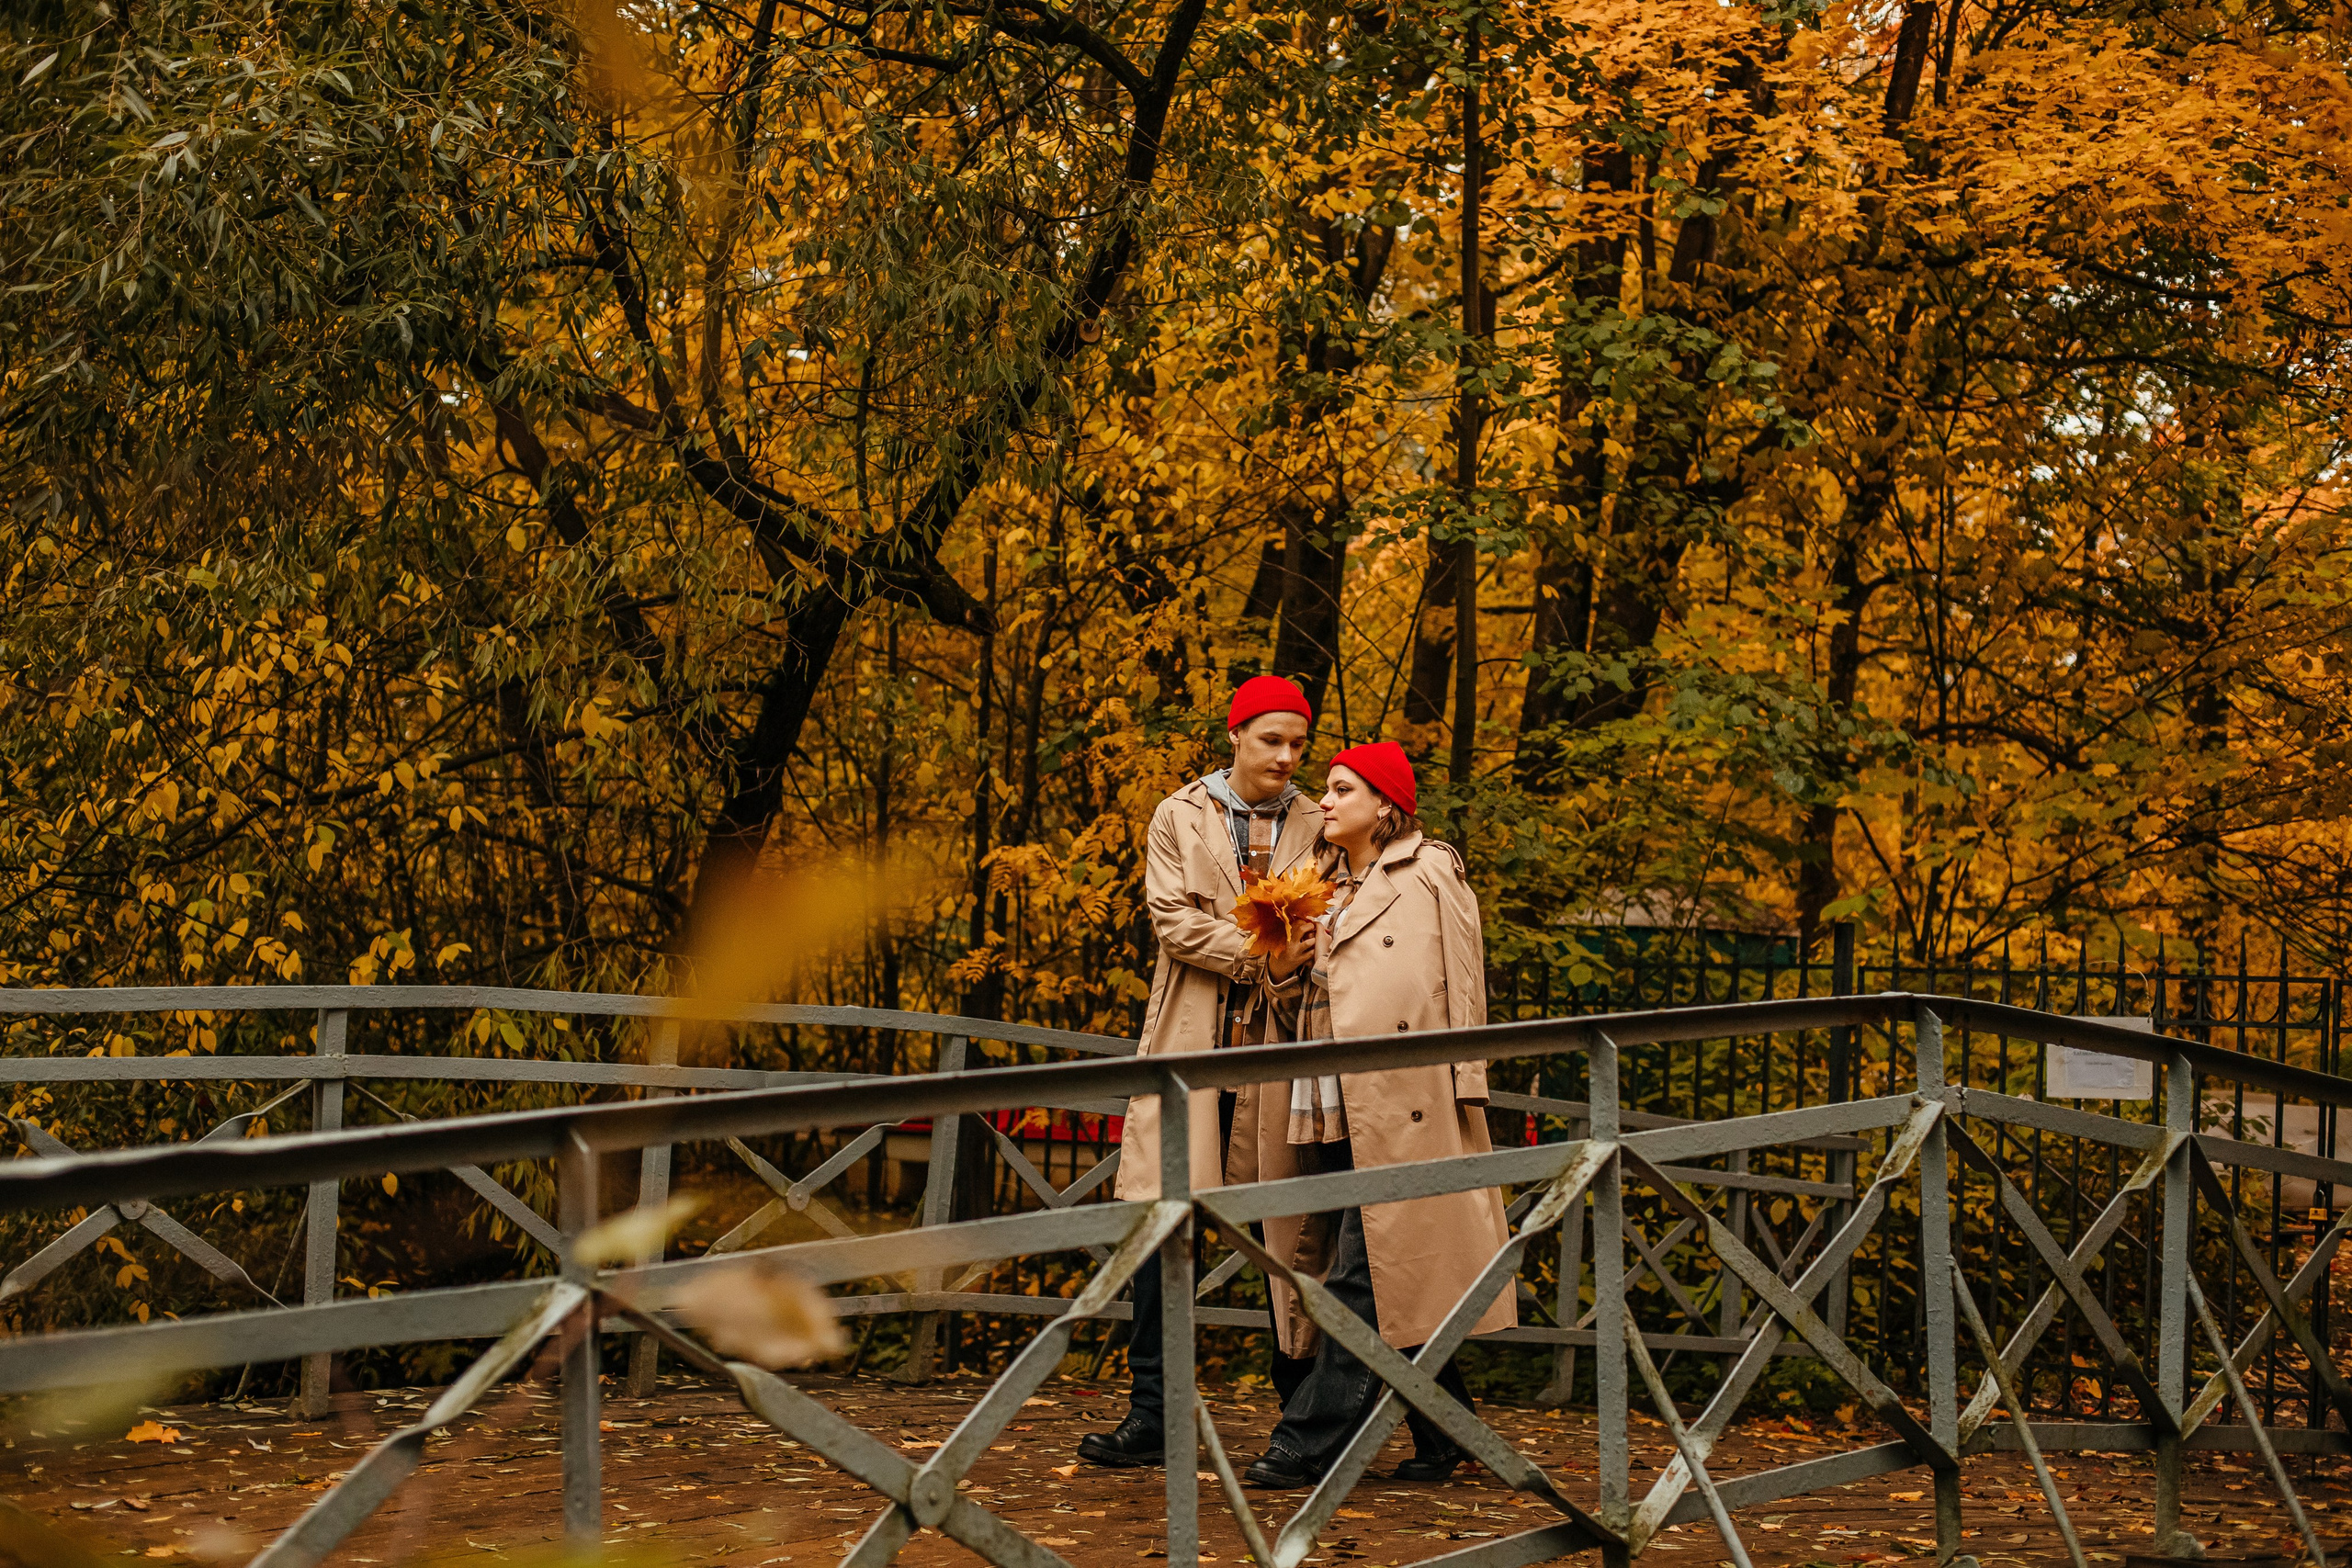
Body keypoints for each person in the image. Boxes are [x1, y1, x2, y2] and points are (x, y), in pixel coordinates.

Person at [1237, 741, 1515, 1487]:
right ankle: (1446, 1430)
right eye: (1326, 789)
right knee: (1367, 1265)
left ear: (1385, 803)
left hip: (1401, 1099)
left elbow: (1465, 980)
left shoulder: (1429, 871)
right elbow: (1290, 1001)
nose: (1324, 801)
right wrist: (1281, 969)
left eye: (1341, 789)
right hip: (1323, 1095)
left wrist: (1469, 1080)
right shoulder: (1315, 882)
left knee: (1366, 1271)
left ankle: (1308, 1440)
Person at [1076, 675, 1325, 1468]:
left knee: (1289, 1231)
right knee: (1165, 1226)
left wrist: (1280, 962)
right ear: (1236, 734)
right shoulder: (1178, 814)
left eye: (1298, 744)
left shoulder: (1319, 821)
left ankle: (1306, 1419)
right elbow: (1173, 923)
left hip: (1280, 1053)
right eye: (1272, 740)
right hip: (1190, 1051)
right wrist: (1264, 951)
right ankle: (1155, 1413)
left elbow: (1323, 930)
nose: (1286, 757)